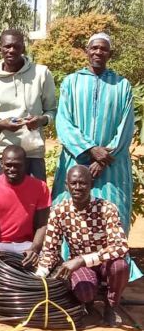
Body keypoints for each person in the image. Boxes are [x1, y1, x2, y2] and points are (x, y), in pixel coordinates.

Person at [52, 32, 141, 280]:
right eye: (94, 48)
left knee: (113, 215)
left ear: (110, 54)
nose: (98, 52)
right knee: (70, 213)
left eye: (103, 49)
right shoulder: (71, 82)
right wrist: (90, 150)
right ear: (87, 51)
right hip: (76, 160)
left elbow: (126, 127)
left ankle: (111, 276)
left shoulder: (122, 86)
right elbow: (64, 121)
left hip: (112, 166)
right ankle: (71, 273)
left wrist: (103, 158)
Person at [36, 166, 130, 326]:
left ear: (91, 184)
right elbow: (50, 250)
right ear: (66, 185)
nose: (78, 187)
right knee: (85, 292)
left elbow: (120, 246)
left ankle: (111, 306)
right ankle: (88, 303)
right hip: (81, 267)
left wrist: (82, 260)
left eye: (83, 183)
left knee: (120, 266)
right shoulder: (59, 211)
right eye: (73, 183)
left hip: (104, 263)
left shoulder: (106, 208)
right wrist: (40, 275)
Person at [0, 29, 56, 180]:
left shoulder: (41, 74)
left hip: (33, 153)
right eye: (7, 46)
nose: (12, 50)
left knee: (36, 195)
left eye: (16, 46)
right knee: (1, 196)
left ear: (23, 48)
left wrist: (41, 120)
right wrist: (1, 125)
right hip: (3, 155)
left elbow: (52, 111)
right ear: (0, 49)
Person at [0, 146, 50, 271]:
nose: (12, 169)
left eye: (17, 165)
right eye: (8, 165)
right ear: (2, 164)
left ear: (25, 165)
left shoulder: (40, 187)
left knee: (47, 266)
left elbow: (43, 225)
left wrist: (34, 249)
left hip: (27, 246)